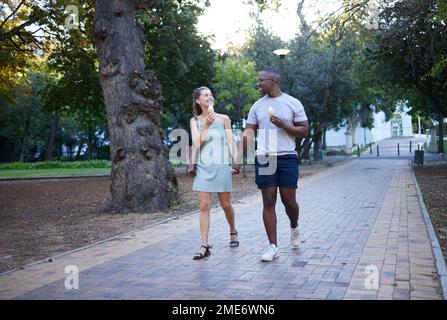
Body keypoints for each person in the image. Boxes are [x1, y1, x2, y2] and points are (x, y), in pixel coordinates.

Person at [233, 68, 309, 262]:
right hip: (265, 157)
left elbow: (304, 131)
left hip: (287, 157)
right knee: (268, 200)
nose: (258, 83)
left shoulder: (293, 103)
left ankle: (294, 225)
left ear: (273, 80)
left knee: (289, 201)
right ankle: (273, 246)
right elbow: (248, 133)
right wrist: (238, 159)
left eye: (261, 80)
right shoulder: (257, 106)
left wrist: (285, 125)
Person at [189, 86, 239, 260]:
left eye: (211, 94)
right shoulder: (194, 121)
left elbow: (231, 141)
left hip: (221, 166)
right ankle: (204, 245)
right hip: (204, 167)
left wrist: (236, 161)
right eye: (205, 95)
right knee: (204, 206)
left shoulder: (224, 118)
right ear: (198, 100)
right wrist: (207, 125)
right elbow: (196, 143)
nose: (210, 97)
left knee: (226, 204)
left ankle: (233, 231)